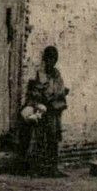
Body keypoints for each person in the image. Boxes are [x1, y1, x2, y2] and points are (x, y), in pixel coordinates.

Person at [22, 46, 69, 176]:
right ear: (45, 59)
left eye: (54, 59)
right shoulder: (39, 74)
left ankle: (53, 168)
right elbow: (34, 93)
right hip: (42, 110)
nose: (51, 62)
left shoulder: (57, 74)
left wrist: (58, 95)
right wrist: (42, 100)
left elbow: (60, 90)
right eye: (49, 59)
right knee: (39, 139)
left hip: (54, 111)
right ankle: (36, 169)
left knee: (54, 139)